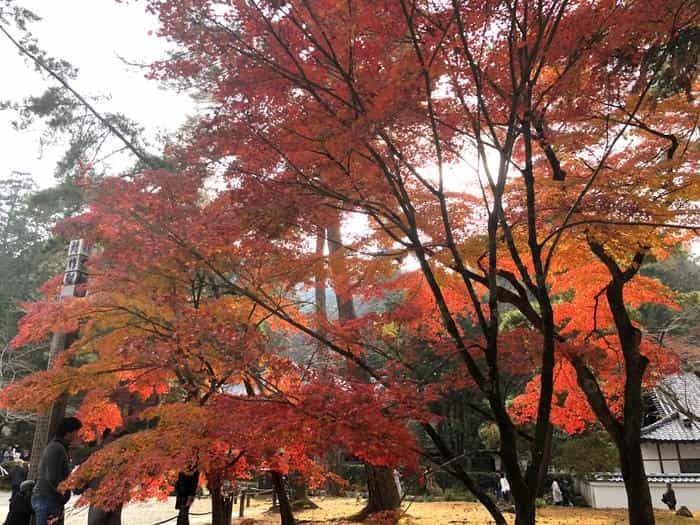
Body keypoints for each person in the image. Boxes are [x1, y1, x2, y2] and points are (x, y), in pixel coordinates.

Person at [31, 416, 83, 525]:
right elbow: (52, 477)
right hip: (48, 498)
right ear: (69, 432)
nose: (76, 435)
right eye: (76, 432)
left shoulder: (58, 447)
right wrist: (62, 494)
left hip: (50, 498)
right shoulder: (56, 448)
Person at [87, 429, 122, 525]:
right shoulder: (96, 453)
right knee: (96, 521)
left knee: (113, 521)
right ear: (106, 437)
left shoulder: (121, 453)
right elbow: (86, 473)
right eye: (113, 436)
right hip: (98, 495)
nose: (115, 439)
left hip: (115, 496)